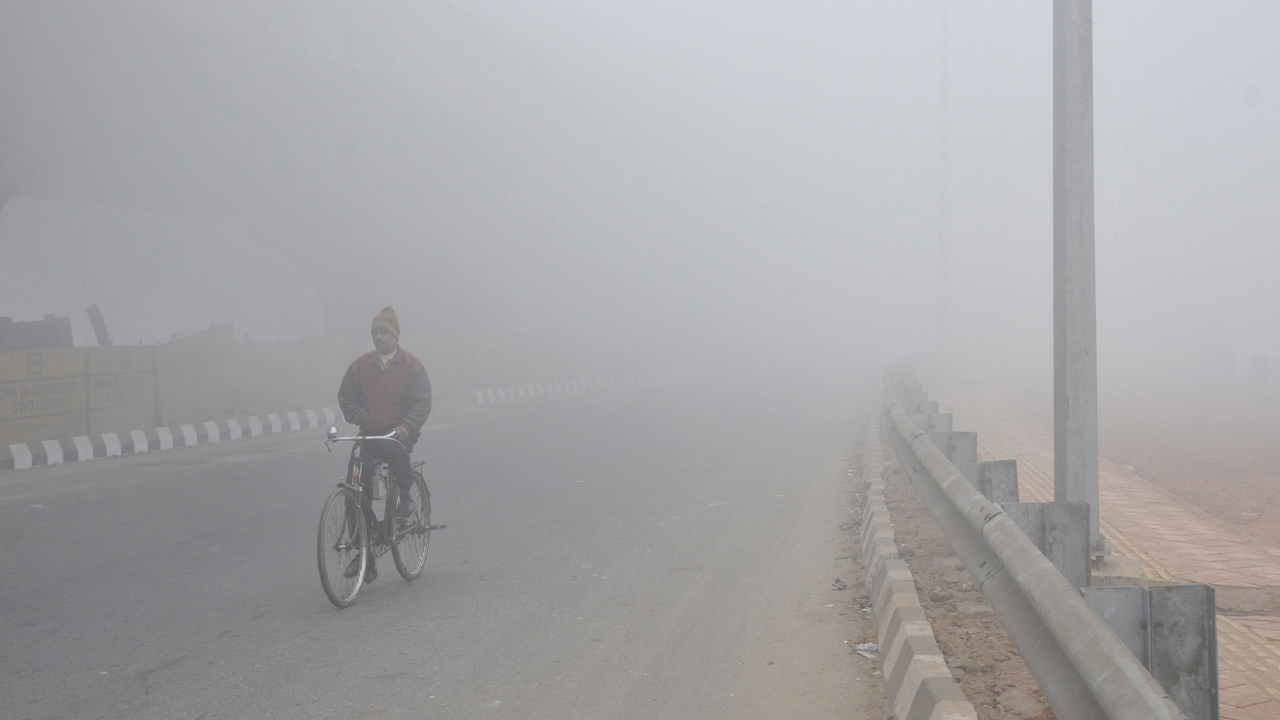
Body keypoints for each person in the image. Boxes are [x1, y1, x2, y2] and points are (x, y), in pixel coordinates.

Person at [337, 306, 432, 582]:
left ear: (395, 335)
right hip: (370, 432)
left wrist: (407, 425)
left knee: (394, 448)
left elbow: (423, 402)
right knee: (355, 485)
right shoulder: (360, 365)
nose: (379, 337)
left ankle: (406, 494)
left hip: (400, 432)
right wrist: (361, 416)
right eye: (375, 332)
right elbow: (346, 397)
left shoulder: (413, 366)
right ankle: (362, 553)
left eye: (384, 332)